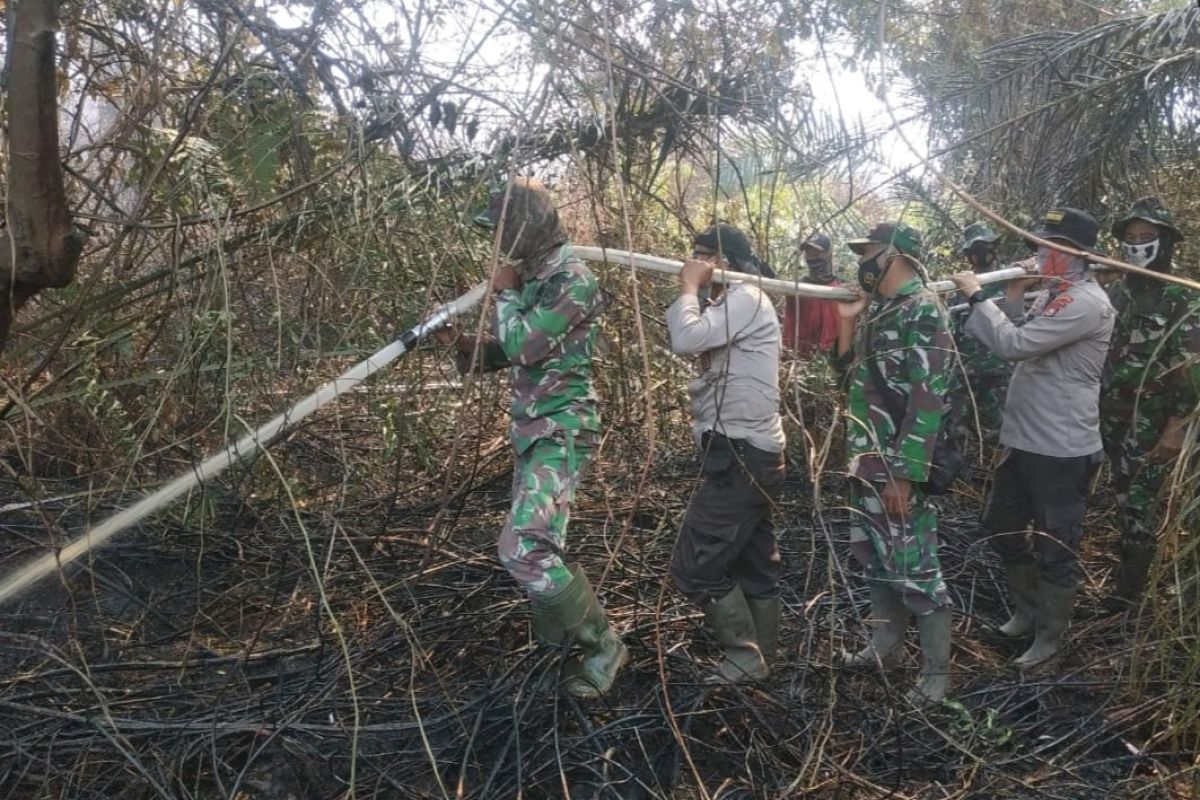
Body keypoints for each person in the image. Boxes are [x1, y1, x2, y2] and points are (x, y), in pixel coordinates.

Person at [437, 178, 627, 698]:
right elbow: (508, 352)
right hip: (534, 429)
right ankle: (558, 643)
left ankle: (604, 644)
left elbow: (525, 343)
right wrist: (464, 345)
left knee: (522, 548)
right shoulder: (534, 276)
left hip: (562, 427)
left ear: (530, 227)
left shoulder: (573, 279)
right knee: (539, 542)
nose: (502, 247)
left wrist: (504, 291)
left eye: (507, 233)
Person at [950, 207, 1115, 667]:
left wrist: (980, 296)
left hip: (1061, 449)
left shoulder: (1086, 302)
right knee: (1000, 527)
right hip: (1023, 440)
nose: (1038, 252)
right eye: (1037, 243)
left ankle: (1049, 637)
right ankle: (1026, 612)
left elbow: (1014, 345)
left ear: (1075, 255)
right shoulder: (1056, 295)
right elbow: (1021, 336)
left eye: (1048, 245)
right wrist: (1015, 293)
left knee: (1055, 545)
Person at [833, 221, 954, 704]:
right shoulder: (882, 310)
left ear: (898, 254)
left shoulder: (924, 309)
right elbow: (848, 380)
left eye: (871, 251)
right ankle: (885, 648)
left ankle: (937, 676)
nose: (864, 260)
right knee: (875, 560)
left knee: (915, 566)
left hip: (896, 466)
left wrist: (903, 475)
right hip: (865, 460)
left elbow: (930, 399)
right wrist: (847, 322)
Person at [666, 223, 787, 684]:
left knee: (694, 565)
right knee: (753, 561)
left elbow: (686, 339)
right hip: (747, 452)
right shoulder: (730, 302)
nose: (694, 262)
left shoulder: (747, 297)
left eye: (703, 255)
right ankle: (765, 658)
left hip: (743, 455)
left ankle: (745, 655)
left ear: (726, 261)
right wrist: (695, 291)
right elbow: (689, 333)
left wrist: (688, 285)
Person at [1101, 197, 1200, 605]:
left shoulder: (1183, 297)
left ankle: (1180, 596)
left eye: (1147, 238)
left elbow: (1193, 369)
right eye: (1131, 238)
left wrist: (1177, 428)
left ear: (1166, 242)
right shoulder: (1116, 293)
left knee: (1165, 508)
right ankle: (1131, 594)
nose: (1138, 245)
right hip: (1115, 419)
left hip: (1161, 423)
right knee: (1127, 503)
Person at [949, 222, 1015, 451]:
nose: (982, 253)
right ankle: (959, 476)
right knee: (955, 428)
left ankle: (996, 476)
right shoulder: (958, 286)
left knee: (1001, 429)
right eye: (975, 249)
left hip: (999, 367)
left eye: (986, 246)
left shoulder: (1011, 278)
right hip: (965, 369)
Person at [782, 233, 842, 358]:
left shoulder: (842, 288)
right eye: (809, 253)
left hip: (832, 357)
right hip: (800, 358)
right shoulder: (796, 288)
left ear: (828, 254)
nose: (811, 257)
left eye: (816, 253)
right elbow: (790, 330)